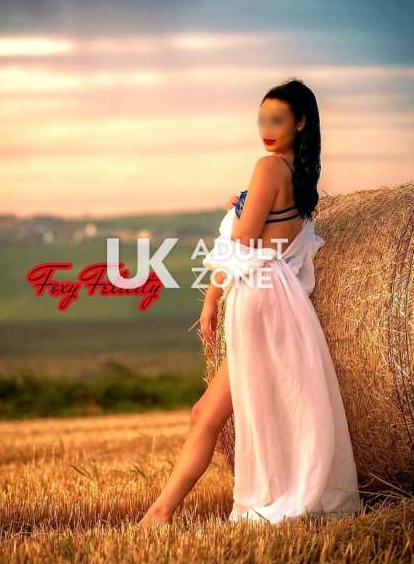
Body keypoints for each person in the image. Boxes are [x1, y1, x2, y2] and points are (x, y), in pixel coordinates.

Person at [138, 79, 361, 527]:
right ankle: (159, 514)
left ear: (300, 123)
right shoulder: (298, 173)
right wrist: (241, 202)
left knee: (217, 413)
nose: (266, 130)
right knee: (207, 413)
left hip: (257, 294)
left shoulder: (268, 167)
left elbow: (242, 241)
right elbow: (271, 232)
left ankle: (162, 514)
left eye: (277, 120)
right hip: (277, 296)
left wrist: (211, 296)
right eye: (262, 120)